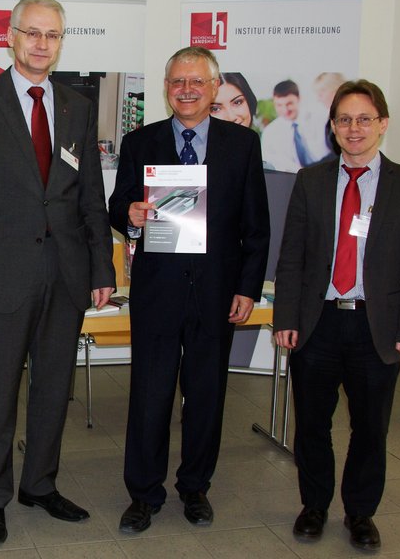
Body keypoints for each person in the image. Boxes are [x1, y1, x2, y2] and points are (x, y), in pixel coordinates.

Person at [0, 0, 116, 544]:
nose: (42, 44)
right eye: (32, 33)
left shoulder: (76, 107)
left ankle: (40, 484)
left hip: (64, 275)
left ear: (62, 42)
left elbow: (90, 195)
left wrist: (101, 267)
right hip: (0, 277)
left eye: (53, 35)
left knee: (52, 388)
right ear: (11, 37)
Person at [109, 46, 270, 534]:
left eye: (197, 82)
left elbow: (256, 227)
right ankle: (144, 493)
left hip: (217, 292)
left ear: (214, 87)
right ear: (166, 86)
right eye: (177, 82)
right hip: (157, 293)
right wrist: (131, 217)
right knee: (150, 395)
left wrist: (247, 288)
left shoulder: (242, 146)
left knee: (206, 395)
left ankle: (195, 487)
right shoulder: (141, 143)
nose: (186, 90)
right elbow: (117, 208)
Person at [274, 79, 400, 551]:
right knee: (313, 425)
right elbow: (292, 257)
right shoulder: (312, 181)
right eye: (344, 119)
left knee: (371, 427)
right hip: (318, 322)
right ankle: (314, 506)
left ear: (382, 124)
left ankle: (361, 513)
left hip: (375, 327)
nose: (354, 128)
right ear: (333, 127)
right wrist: (286, 316)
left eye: (364, 118)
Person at [261, 79, 326, 173]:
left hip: (322, 173)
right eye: (279, 105)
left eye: (289, 104)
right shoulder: (270, 133)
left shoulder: (319, 120)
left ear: (298, 98)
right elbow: (271, 165)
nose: (285, 110)